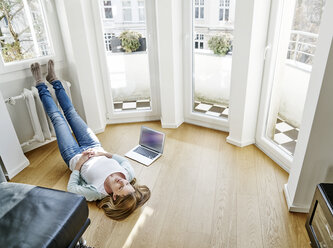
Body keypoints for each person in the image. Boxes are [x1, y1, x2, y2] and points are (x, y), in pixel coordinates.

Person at [30, 60, 150, 221]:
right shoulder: (128, 174)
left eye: (121, 187)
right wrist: (103, 153)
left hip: (73, 155)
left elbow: (72, 189)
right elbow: (121, 159)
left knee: (57, 118)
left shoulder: (96, 192)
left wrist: (79, 165)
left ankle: (40, 84)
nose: (123, 181)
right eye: (128, 185)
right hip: (93, 146)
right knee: (71, 112)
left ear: (114, 197)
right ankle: (54, 80)